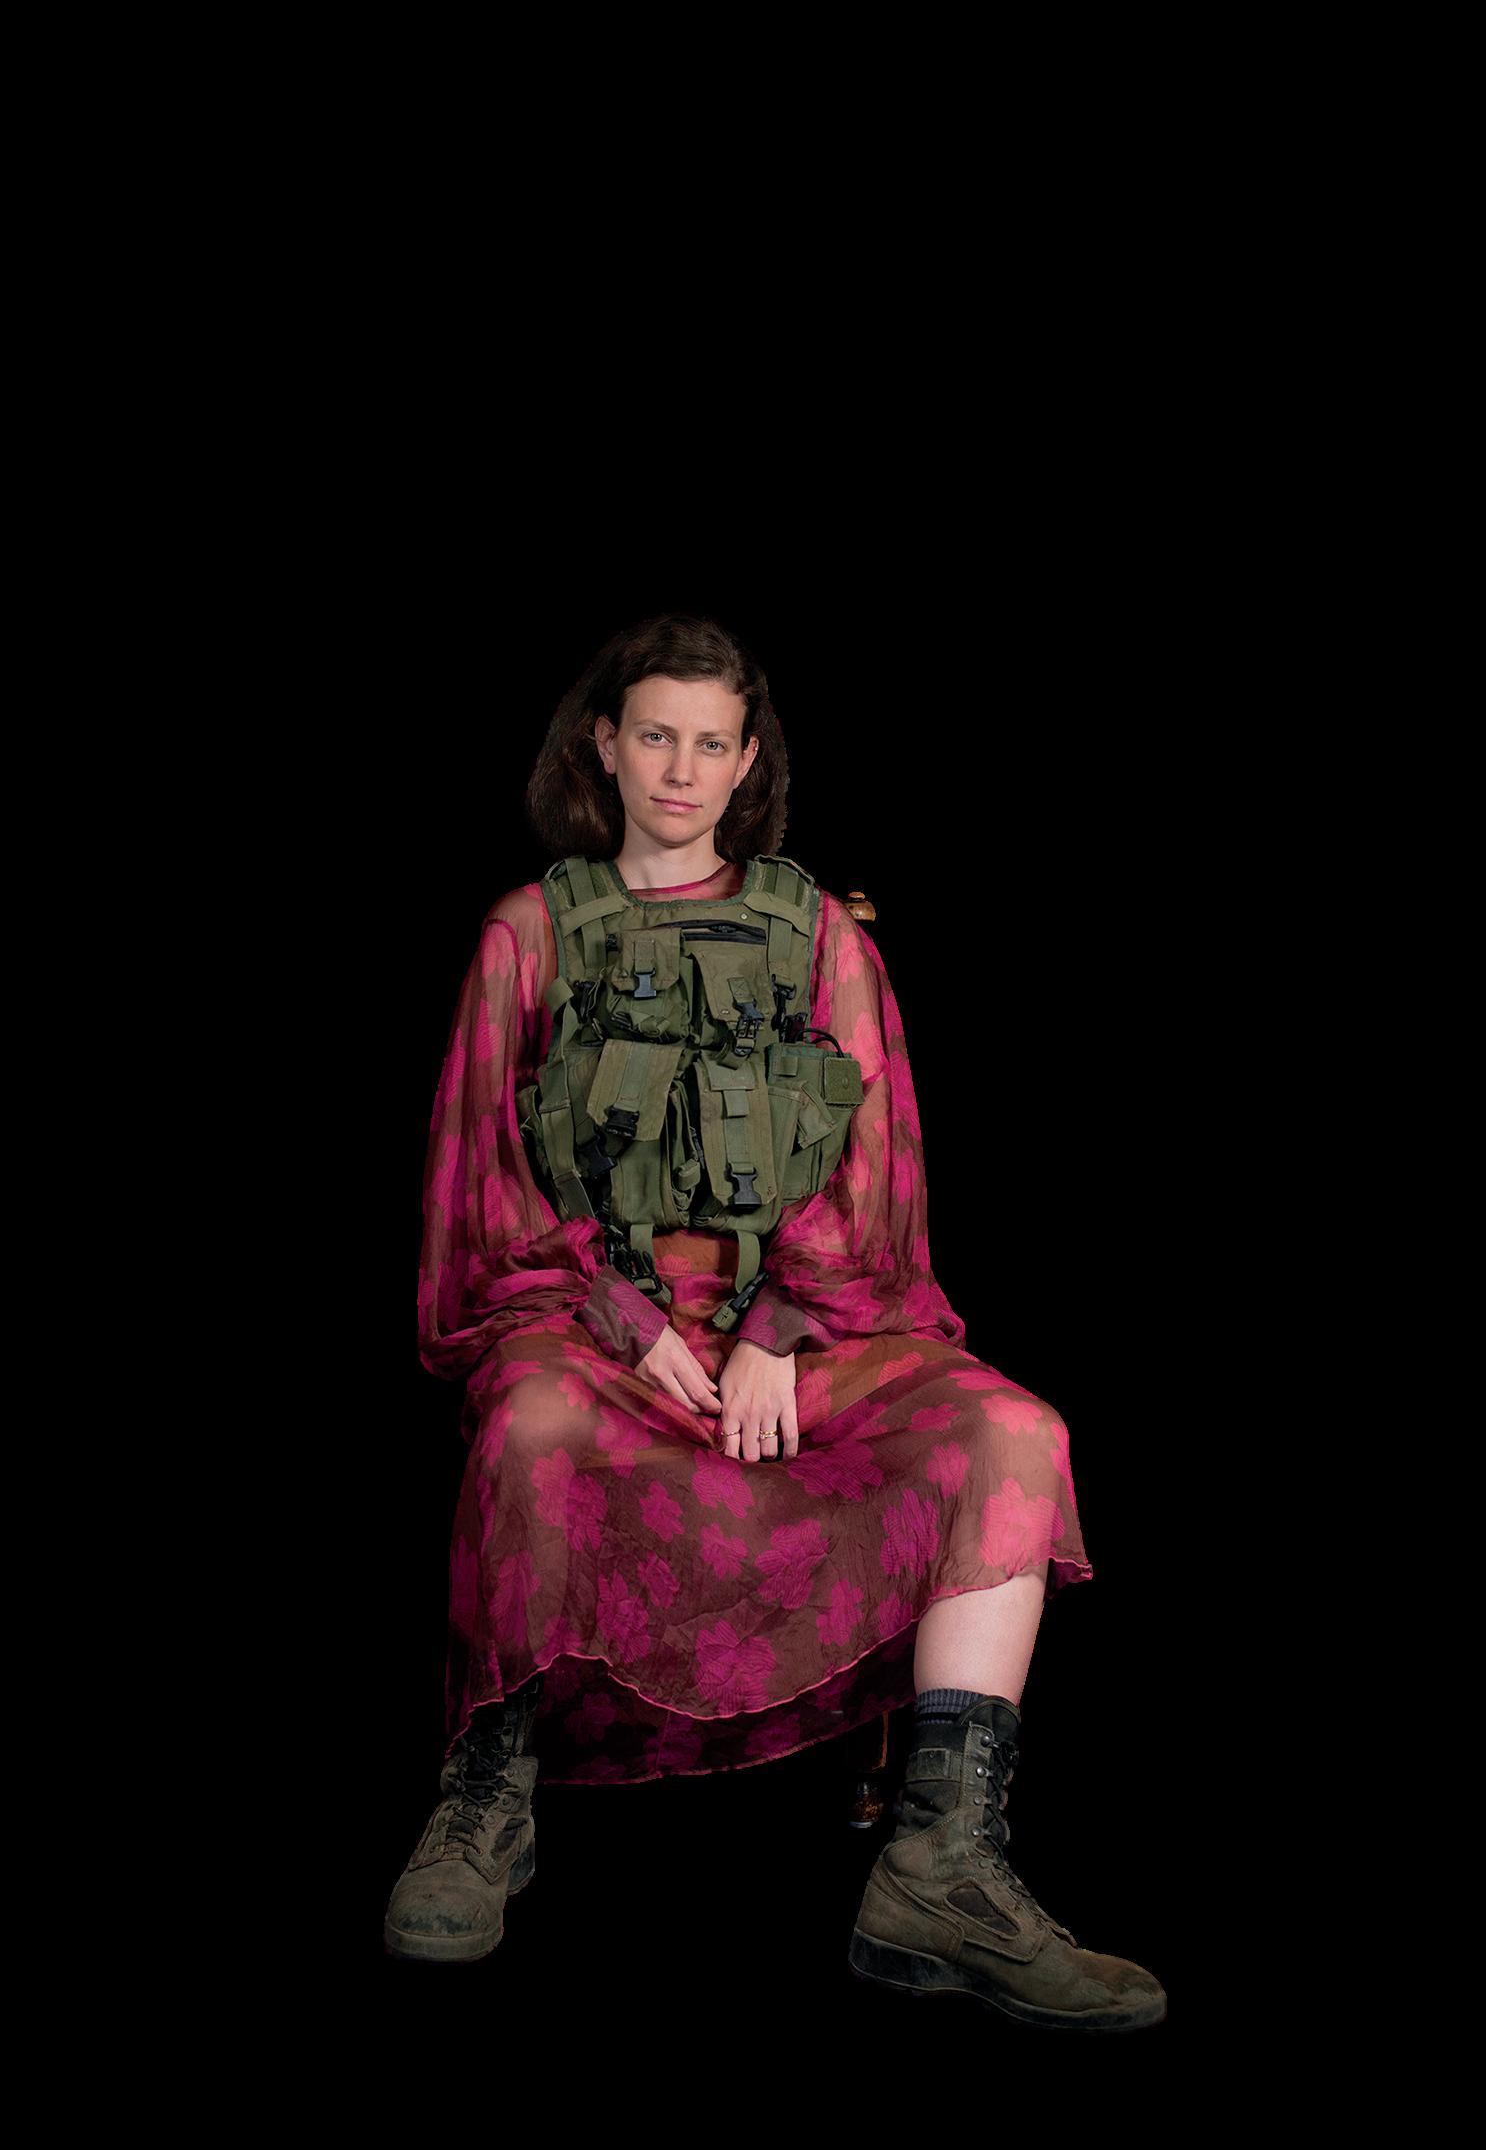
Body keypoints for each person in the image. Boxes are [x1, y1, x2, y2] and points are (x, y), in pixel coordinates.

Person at [383, 612, 1167, 2031]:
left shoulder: (822, 940)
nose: (681, 769)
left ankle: (943, 1866)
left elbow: (877, 1167)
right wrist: (625, 1318)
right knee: (530, 1424)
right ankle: (482, 1803)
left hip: (805, 1320)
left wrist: (778, 1327)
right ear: (604, 747)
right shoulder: (528, 934)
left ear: (748, 762)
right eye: (655, 736)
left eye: (711, 743)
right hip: (587, 1313)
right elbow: (483, 1180)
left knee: (1013, 1434)